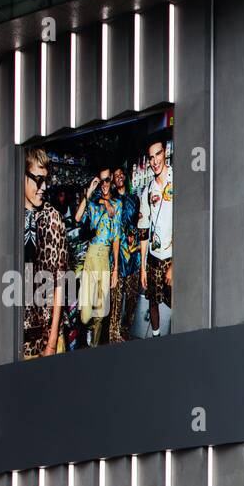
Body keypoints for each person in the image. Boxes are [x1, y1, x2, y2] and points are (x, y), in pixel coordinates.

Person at [22, 147, 68, 359]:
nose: (43, 187)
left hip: (47, 337)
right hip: (20, 338)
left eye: (46, 180)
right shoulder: (11, 216)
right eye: (37, 180)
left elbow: (61, 283)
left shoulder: (53, 218)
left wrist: (51, 344)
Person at [74, 166, 118, 347]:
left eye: (107, 180)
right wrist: (89, 192)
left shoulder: (117, 205)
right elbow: (77, 218)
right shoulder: (92, 204)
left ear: (112, 181)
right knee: (85, 317)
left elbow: (116, 237)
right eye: (101, 181)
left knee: (100, 314)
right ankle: (89, 329)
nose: (104, 184)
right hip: (91, 258)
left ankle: (95, 347)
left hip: (105, 260)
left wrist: (115, 268)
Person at [139, 134, 174, 336]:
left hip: (172, 258)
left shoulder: (179, 181)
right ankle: (156, 336)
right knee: (152, 302)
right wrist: (143, 268)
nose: (155, 161)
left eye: (158, 154)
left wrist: (175, 264)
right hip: (153, 258)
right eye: (151, 157)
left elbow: (186, 223)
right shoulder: (147, 191)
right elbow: (143, 231)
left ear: (165, 152)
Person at [109, 165, 142, 342]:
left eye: (122, 174)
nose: (119, 177)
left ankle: (126, 329)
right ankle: (113, 335)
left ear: (125, 177)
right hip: (118, 258)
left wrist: (135, 238)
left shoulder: (134, 199)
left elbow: (139, 222)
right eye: (116, 175)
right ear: (114, 181)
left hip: (133, 256)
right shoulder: (111, 202)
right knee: (116, 300)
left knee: (131, 298)